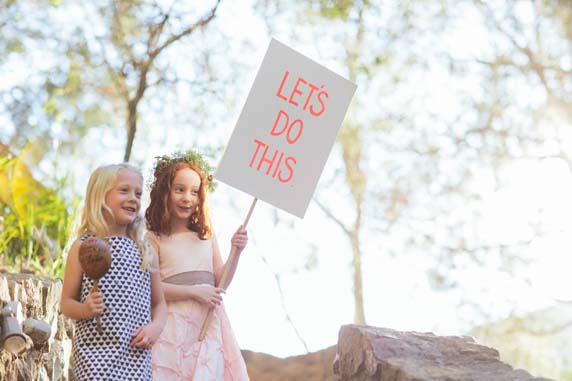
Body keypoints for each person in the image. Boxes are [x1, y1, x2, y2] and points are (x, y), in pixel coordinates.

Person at [145, 150, 249, 380]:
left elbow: (221, 280)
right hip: (173, 323)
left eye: (194, 192)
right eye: (179, 189)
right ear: (165, 192)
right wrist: (194, 292)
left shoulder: (206, 236)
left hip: (208, 321)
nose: (187, 198)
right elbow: (152, 288)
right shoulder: (155, 238)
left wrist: (236, 251)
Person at [60, 163, 167, 381]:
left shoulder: (145, 251)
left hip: (135, 354)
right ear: (100, 196)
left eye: (138, 193)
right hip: (94, 355)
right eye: (124, 190)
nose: (133, 198)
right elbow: (66, 303)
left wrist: (155, 328)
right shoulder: (84, 246)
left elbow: (159, 303)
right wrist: (86, 309)